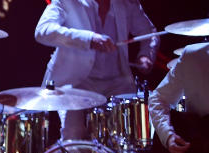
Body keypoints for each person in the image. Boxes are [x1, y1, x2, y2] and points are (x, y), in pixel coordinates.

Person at [34, 0, 158, 140]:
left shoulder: (127, 3)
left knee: (123, 140)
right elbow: (43, 30)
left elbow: (149, 33)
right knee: (74, 135)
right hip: (76, 82)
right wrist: (89, 39)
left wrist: (146, 56)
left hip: (117, 82)